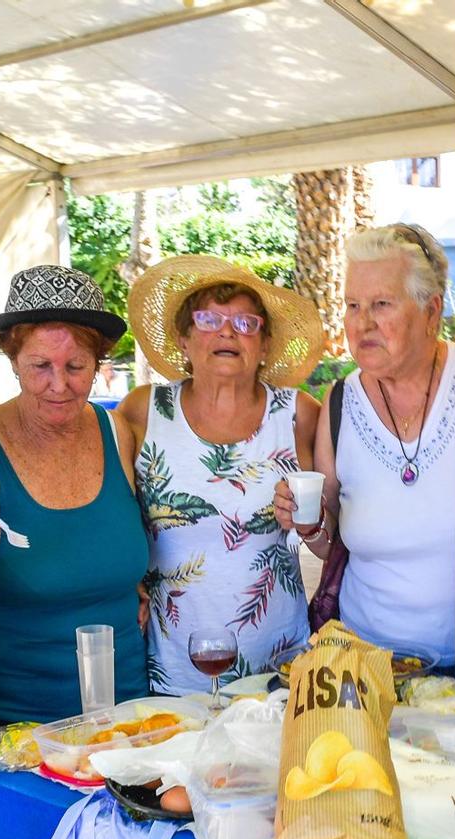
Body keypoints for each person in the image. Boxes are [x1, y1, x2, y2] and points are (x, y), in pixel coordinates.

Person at [272, 224, 455, 672]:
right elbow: (332, 545)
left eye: (381, 305)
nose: (362, 322)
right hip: (374, 667)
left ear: (432, 311)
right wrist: (307, 524)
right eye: (352, 305)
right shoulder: (340, 401)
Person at [0, 265, 147, 724]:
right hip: (13, 720)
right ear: (13, 360)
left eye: (76, 366)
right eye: (40, 366)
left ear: (98, 364)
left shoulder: (118, 434)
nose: (59, 384)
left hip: (126, 708)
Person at [117, 255, 322, 688]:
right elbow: (109, 519)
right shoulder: (142, 412)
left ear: (264, 346)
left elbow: (334, 541)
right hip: (173, 664)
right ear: (184, 339)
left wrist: (312, 521)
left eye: (247, 324)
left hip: (278, 665)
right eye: (209, 319)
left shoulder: (299, 415)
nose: (228, 332)